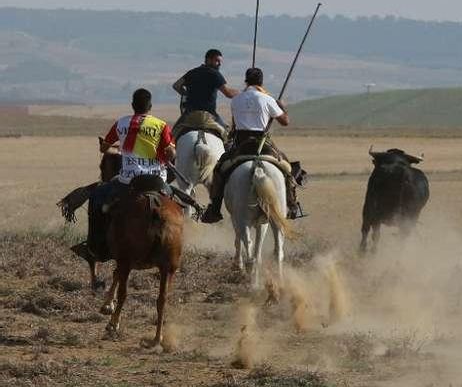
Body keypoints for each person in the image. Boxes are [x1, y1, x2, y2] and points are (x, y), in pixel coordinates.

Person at [201, 67, 306, 223]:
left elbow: (235, 125)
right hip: (263, 144)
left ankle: (215, 208)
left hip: (242, 144)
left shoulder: (236, 100)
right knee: (287, 168)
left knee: (219, 170)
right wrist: (281, 106)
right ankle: (292, 204)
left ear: (246, 80)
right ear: (261, 82)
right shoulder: (267, 99)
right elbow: (285, 122)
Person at [87, 89, 177, 260]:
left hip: (129, 180)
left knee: (97, 196)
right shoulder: (161, 125)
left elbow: (103, 148)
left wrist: (114, 148)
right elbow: (171, 152)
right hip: (157, 180)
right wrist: (170, 152)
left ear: (132, 106)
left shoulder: (121, 123)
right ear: (150, 106)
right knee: (178, 203)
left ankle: (95, 247)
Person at [172, 48, 239, 130]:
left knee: (173, 134)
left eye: (220, 62)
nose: (219, 64)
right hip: (209, 114)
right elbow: (228, 93)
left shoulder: (192, 72)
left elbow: (176, 85)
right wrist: (241, 93)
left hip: (189, 113)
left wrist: (185, 93)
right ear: (208, 60)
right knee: (227, 133)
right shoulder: (215, 74)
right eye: (217, 61)